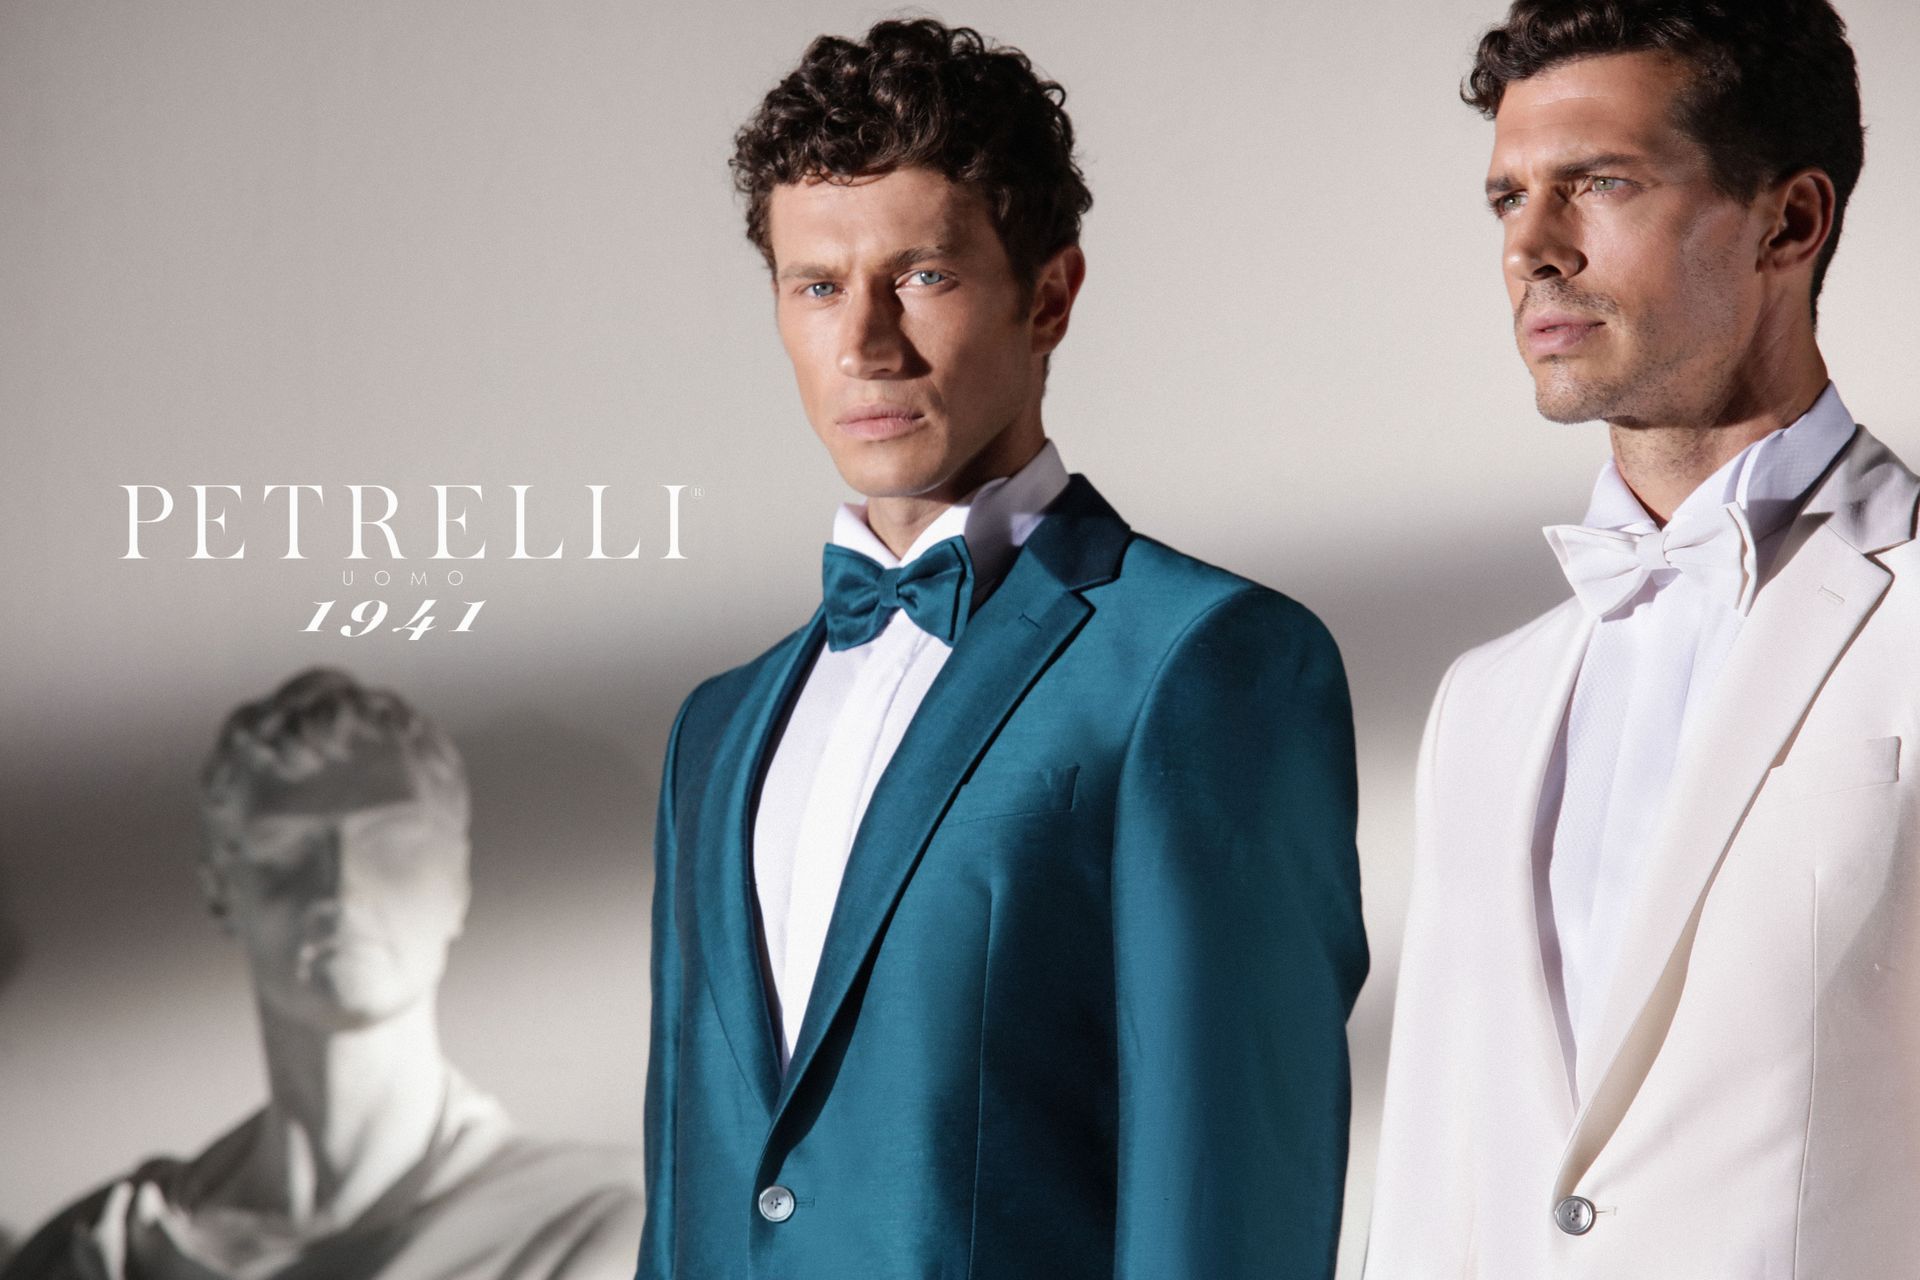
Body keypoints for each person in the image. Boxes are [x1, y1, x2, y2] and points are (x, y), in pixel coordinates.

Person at [638, 18, 1368, 1279]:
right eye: (817, 286)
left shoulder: (1205, 665)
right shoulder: (716, 727)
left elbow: (1230, 1195)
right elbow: (690, 1194)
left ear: (1050, 296)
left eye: (921, 275)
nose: (865, 344)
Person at [1368, 1, 1918, 1275]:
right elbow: (1435, 1165)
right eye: (1509, 198)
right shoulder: (1484, 699)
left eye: (1601, 183)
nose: (1532, 248)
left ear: (1790, 221)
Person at [3, 669, 644, 1280]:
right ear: (221, 890)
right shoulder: (102, 1247)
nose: (342, 888)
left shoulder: (593, 1223)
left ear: (456, 881)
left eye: (392, 842)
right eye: (287, 849)